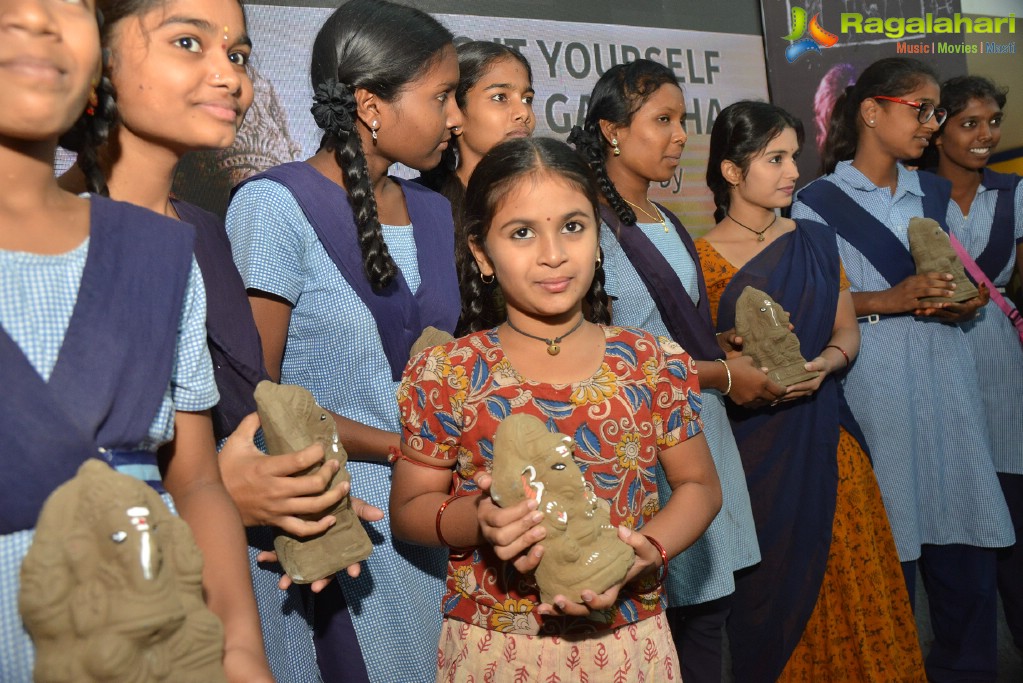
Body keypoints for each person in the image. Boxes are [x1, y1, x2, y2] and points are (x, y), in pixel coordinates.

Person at [56, 0, 383, 679]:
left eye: (237, 54)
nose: (230, 76)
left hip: (247, 592)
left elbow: (232, 416)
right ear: (97, 58)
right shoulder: (46, 241)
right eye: (188, 42)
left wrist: (301, 486)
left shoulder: (203, 231)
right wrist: (216, 497)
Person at [0, 0, 269, 678]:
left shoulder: (157, 253)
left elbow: (196, 478)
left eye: (69, 4)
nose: (37, 18)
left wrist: (238, 649)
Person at [390, 136, 722, 680]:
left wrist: (648, 551)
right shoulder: (447, 372)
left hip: (629, 637)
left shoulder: (650, 360)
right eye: (522, 233)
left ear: (597, 240)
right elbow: (409, 509)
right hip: (494, 646)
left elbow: (700, 487)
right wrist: (478, 520)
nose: (553, 253)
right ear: (481, 253)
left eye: (572, 226)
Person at [226, 0, 463, 679]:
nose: (455, 116)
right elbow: (259, 403)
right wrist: (400, 446)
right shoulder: (272, 206)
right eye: (441, 95)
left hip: (433, 513)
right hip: (337, 517)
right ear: (370, 105)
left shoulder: (434, 209)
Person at [793, 57, 1014, 682]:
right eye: (922, 110)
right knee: (892, 544)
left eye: (936, 112)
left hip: (950, 378)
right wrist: (886, 299)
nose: (932, 124)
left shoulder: (934, 191)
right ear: (871, 110)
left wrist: (965, 298)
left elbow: (958, 280)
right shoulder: (817, 202)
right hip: (875, 385)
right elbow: (808, 308)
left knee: (964, 538)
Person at [701, 99, 925, 681]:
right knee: (772, 597)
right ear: (731, 171)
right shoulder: (698, 261)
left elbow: (846, 330)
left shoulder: (817, 241)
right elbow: (703, 362)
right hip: (755, 457)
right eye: (774, 159)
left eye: (793, 157)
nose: (792, 172)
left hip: (831, 444)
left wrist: (826, 363)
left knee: (858, 581)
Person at [567, 59, 766, 682]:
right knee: (657, 618)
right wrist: (722, 374)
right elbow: (609, 359)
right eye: (663, 120)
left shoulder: (665, 217)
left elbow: (666, 329)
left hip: (699, 433)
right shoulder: (587, 227)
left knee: (709, 613)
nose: (681, 135)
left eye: (683, 121)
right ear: (611, 131)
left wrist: (717, 344)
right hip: (642, 445)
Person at [932, 75, 1023, 654]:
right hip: (937, 362)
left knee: (1015, 518)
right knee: (956, 525)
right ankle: (964, 660)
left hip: (1002, 370)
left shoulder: (1013, 193)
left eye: (993, 122)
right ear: (937, 130)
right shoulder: (912, 196)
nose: (985, 135)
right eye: (969, 123)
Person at [418, 40, 534, 223]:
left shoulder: (550, 195)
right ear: (456, 112)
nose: (523, 113)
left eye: (527, 99)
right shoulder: (417, 204)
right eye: (500, 97)